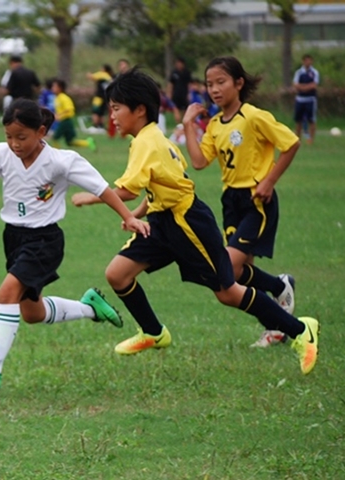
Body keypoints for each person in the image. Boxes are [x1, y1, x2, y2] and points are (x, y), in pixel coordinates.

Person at [71, 67, 318, 375]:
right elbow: (163, 186)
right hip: (162, 222)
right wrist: (135, 218)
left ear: (140, 110)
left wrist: (93, 195)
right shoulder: (152, 140)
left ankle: (300, 330)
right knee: (118, 274)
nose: (113, 117)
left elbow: (127, 190)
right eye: (110, 110)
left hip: (188, 223)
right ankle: (153, 332)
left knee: (228, 291)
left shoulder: (148, 143)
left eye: (117, 109)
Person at [0, 98, 145, 392]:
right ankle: (89, 307)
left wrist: (128, 217)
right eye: (9, 137)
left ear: (41, 131)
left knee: (7, 291)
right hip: (14, 238)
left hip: (45, 239)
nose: (14, 144)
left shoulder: (62, 161)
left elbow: (102, 189)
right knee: (32, 313)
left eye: (22, 137)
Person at [182, 56, 301, 348]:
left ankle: (278, 311)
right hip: (230, 201)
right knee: (239, 275)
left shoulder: (254, 116)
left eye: (221, 82)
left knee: (228, 270)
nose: (214, 89)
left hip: (256, 200)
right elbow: (198, 162)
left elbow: (291, 143)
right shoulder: (214, 124)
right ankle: (278, 295)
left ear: (238, 83)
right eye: (210, 84)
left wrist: (269, 180)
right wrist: (188, 124)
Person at [50, 79, 96, 151]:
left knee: (55, 138)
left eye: (54, 86)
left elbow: (69, 109)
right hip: (64, 121)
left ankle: (56, 154)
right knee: (70, 142)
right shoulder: (57, 98)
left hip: (66, 121)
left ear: (60, 88)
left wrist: (59, 115)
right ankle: (88, 143)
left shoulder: (64, 98)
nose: (52, 88)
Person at [293, 54, 319, 145]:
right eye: (306, 60)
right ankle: (297, 139)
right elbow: (295, 85)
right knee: (298, 120)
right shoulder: (299, 72)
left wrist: (303, 87)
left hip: (310, 99)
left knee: (311, 120)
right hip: (300, 99)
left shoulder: (314, 72)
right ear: (303, 61)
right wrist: (306, 87)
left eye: (310, 60)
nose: (308, 62)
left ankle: (311, 139)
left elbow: (314, 85)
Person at [87, 64, 114, 130]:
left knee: (95, 112)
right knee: (102, 113)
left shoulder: (102, 74)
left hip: (98, 97)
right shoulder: (109, 77)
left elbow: (91, 77)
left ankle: (95, 126)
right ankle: (101, 126)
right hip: (105, 97)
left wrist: (89, 74)